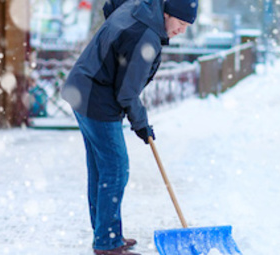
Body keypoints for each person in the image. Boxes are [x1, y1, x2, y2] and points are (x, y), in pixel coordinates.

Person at [61, 0, 198, 254]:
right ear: (167, 14)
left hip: (82, 89)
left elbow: (110, 6)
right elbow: (127, 93)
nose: (181, 31)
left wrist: (115, 46)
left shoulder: (139, 8)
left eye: (186, 26)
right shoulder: (146, 36)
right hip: (96, 100)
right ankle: (107, 242)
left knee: (102, 170)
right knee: (115, 169)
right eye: (180, 23)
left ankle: (106, 233)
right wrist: (142, 125)